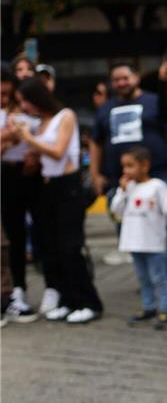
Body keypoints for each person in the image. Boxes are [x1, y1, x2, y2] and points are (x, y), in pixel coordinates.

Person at [12, 78, 103, 324]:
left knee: (71, 247)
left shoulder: (66, 116)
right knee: (52, 248)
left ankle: (89, 302)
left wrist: (28, 139)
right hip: (47, 186)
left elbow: (58, 151)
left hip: (68, 186)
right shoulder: (41, 123)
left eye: (25, 101)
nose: (23, 106)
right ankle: (68, 299)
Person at [110, 146, 167, 329]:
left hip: (153, 242)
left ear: (145, 165)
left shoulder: (158, 186)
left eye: (130, 166)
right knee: (142, 277)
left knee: (159, 277)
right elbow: (117, 211)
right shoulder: (127, 188)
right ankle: (149, 306)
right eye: (124, 166)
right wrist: (122, 192)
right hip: (134, 241)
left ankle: (165, 307)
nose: (126, 171)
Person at [90, 61, 167, 198]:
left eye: (125, 78)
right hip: (118, 182)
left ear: (136, 78)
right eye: (116, 80)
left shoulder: (155, 101)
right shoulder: (104, 109)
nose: (121, 83)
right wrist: (95, 175)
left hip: (157, 177)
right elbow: (96, 142)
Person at [1, 68, 40, 322]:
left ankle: (17, 292)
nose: (3, 98)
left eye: (6, 93)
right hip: (4, 177)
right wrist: (11, 137)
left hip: (24, 176)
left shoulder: (23, 113)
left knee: (18, 237)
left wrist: (31, 152)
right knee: (7, 240)